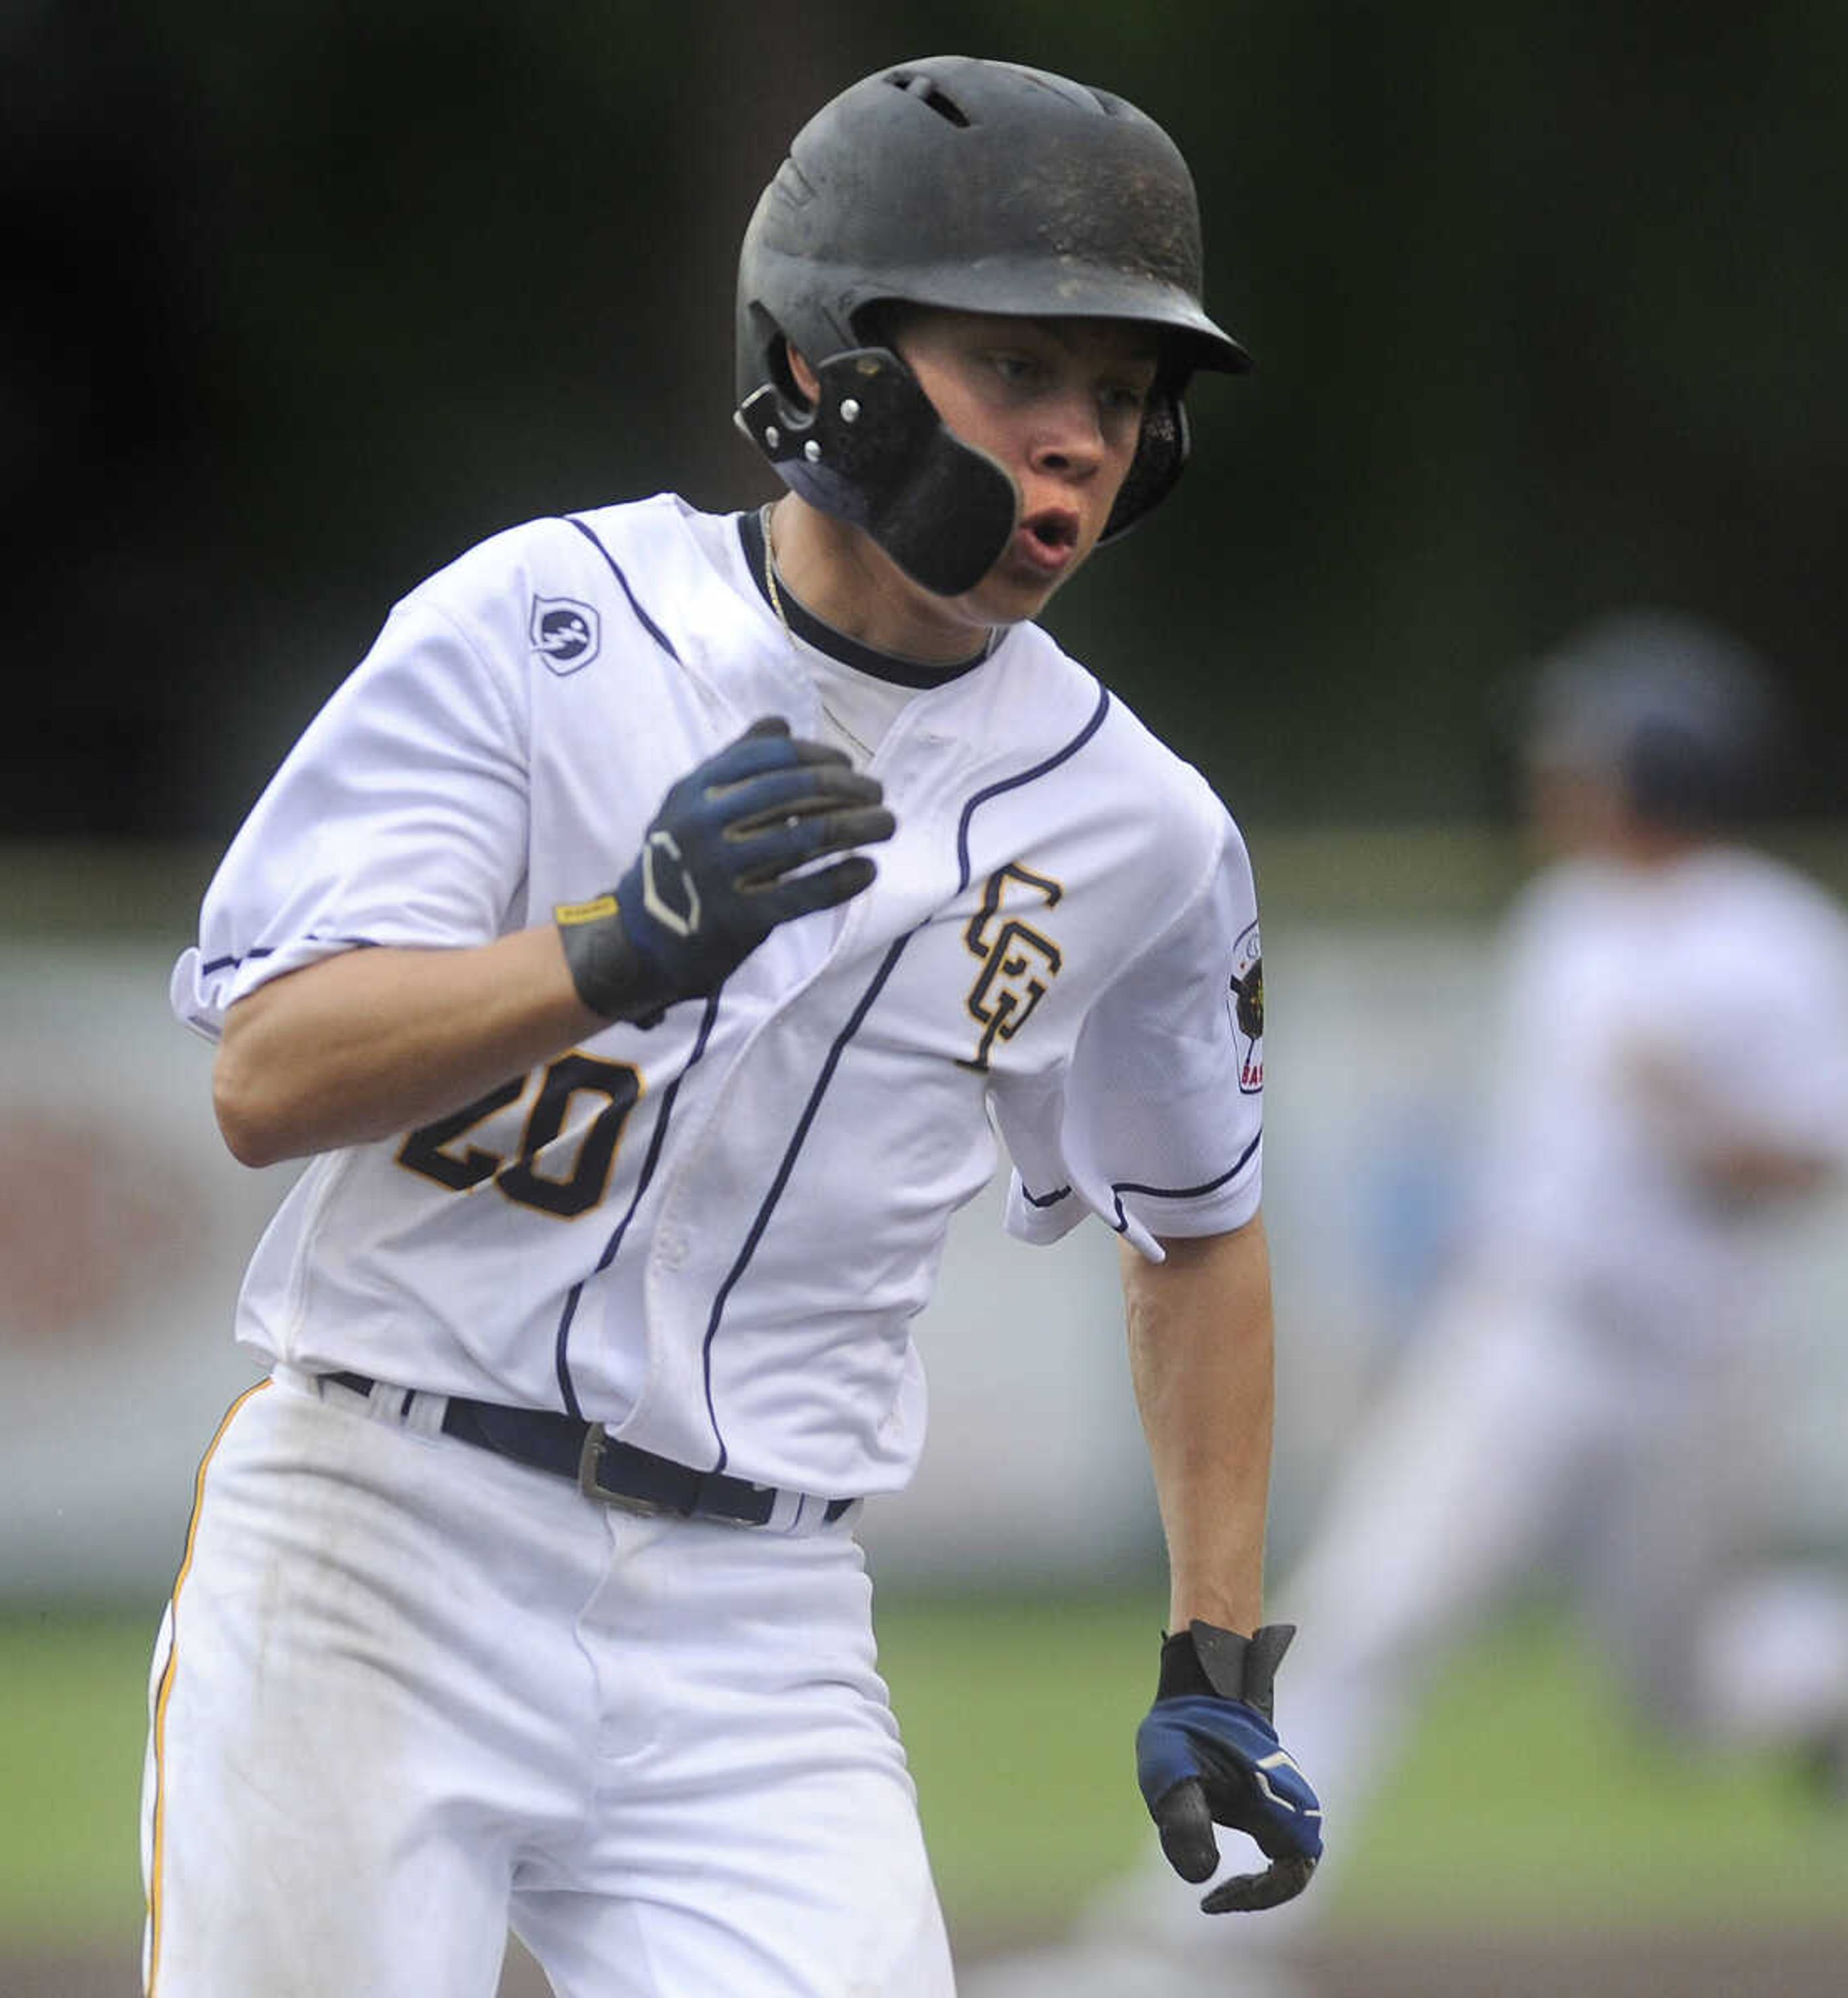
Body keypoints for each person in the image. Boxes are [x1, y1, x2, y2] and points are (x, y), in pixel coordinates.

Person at [137, 55, 1321, 1998]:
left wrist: (1215, 1645)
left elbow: (1195, 1225)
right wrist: (604, 952)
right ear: (830, 362)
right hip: (377, 1541)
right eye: (1023, 367)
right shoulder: (545, 623)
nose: (1086, 441)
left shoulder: (1146, 833)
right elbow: (270, 1075)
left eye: (1124, 397)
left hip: (754, 1628)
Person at [971, 613, 1848, 1997]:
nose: (1558, 772)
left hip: (1695, 1369)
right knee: (1371, 1609)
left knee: (1683, 1699)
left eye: (1589, 747)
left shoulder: (1775, 942)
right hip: (1526, 1340)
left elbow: (1829, 1156)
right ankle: (1207, 1933)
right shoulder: (1568, 917)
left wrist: (1703, 1123)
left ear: (1661, 766)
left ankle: (1829, 1665)